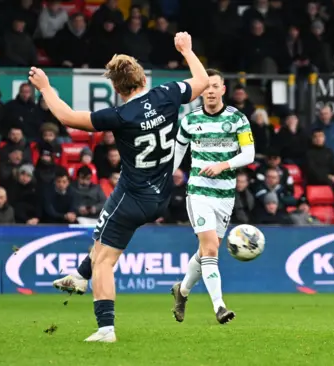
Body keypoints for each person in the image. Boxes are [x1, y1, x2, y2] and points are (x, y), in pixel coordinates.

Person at [36, 32, 208, 343]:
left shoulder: (120, 115)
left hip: (133, 195)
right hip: (162, 194)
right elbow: (202, 80)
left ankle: (106, 329)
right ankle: (78, 276)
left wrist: (46, 87)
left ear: (116, 88)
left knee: (104, 260)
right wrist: (186, 50)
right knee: (102, 236)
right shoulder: (169, 93)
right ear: (142, 77)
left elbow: (66, 117)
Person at [170, 68, 255, 325]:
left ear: (222, 90)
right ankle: (219, 307)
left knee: (207, 251)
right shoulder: (190, 120)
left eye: (214, 86)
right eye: (206, 87)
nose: (209, 91)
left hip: (225, 195)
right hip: (198, 192)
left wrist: (223, 165)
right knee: (210, 250)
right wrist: (164, 177)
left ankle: (182, 291)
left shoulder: (238, 119)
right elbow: (177, 151)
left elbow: (248, 154)